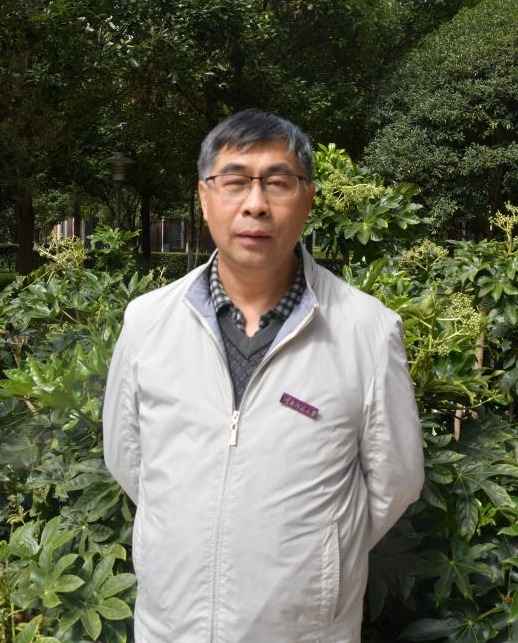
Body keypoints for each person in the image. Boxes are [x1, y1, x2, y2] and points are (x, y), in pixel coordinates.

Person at [103, 108, 424, 643]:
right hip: (171, 627)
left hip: (304, 631)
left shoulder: (367, 331)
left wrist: (317, 556)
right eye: (234, 181)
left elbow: (396, 482)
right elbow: (128, 459)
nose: (255, 203)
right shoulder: (147, 321)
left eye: (277, 182)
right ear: (205, 197)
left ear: (307, 197)